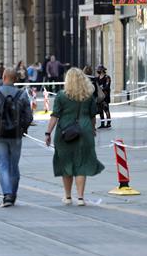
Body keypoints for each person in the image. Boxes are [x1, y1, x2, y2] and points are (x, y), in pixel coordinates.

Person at [44, 68, 105, 206]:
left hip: (65, 132)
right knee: (81, 164)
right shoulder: (89, 96)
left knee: (66, 164)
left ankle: (67, 196)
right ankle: (81, 198)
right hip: (85, 131)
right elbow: (92, 116)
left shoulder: (61, 96)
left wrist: (48, 133)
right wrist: (92, 129)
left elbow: (55, 116)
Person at [0, 70, 33, 207]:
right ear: (15, 79)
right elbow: (29, 117)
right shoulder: (22, 94)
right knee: (13, 165)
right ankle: (13, 194)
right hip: (15, 135)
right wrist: (22, 129)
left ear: (3, 78)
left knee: (2, 165)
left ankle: (7, 195)